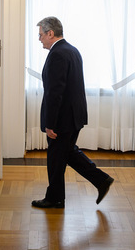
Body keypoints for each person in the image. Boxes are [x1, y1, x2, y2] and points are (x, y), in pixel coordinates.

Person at [31, 16, 114, 208]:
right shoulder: (72, 50)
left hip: (62, 118)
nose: (40, 39)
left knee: (55, 158)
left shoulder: (58, 54)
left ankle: (55, 198)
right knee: (66, 153)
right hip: (73, 115)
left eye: (41, 35)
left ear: (50, 33)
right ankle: (101, 180)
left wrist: (50, 123)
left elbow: (55, 92)